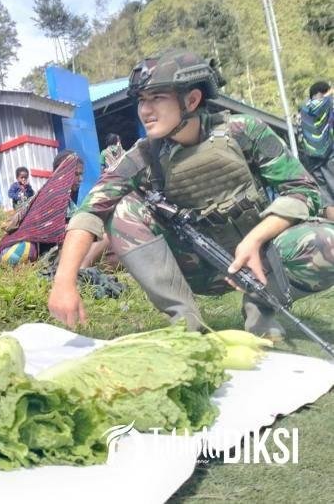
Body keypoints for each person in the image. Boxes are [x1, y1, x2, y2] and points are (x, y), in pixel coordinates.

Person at [48, 49, 334, 340]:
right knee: (123, 208)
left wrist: (256, 238)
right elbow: (90, 210)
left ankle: (260, 306)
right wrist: (64, 281)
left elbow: (303, 190)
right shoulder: (143, 155)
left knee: (328, 240)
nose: (145, 110)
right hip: (196, 267)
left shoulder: (244, 132)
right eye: (141, 100)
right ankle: (186, 325)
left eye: (157, 97)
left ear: (192, 100)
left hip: (260, 259)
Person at [297, 81, 334, 220]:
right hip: (330, 157)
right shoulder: (329, 103)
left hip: (312, 161)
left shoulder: (303, 110)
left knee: (328, 200)